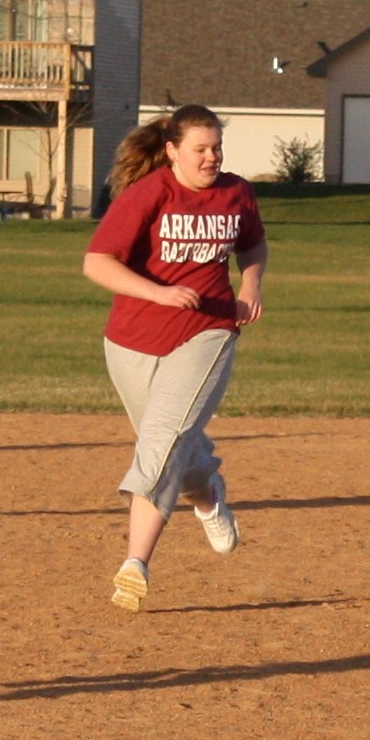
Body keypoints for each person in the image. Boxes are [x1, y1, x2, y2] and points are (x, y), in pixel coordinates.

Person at [82, 104, 268, 612]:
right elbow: (97, 262)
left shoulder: (236, 193)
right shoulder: (149, 194)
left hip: (207, 331)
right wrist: (159, 294)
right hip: (131, 340)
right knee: (173, 442)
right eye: (200, 149)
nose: (211, 158)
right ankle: (206, 491)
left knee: (161, 442)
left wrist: (250, 282)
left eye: (217, 148)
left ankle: (134, 563)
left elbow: (252, 246)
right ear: (172, 151)